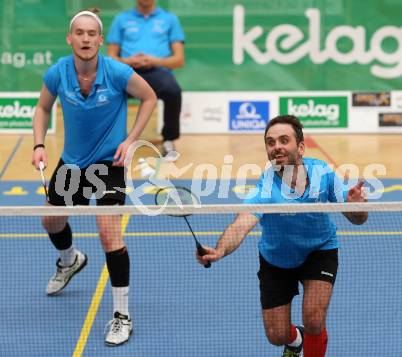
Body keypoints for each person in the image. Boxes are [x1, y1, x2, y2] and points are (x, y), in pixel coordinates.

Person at [31, 8, 157, 346]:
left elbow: (149, 97)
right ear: (70, 38)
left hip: (107, 165)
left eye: (92, 34)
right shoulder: (58, 72)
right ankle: (70, 259)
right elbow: (43, 107)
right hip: (71, 163)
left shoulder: (116, 71)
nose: (85, 39)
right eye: (79, 33)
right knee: (50, 221)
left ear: (100, 40)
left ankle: (121, 315)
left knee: (108, 233)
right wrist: (39, 144)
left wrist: (131, 141)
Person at [196, 115, 368, 357]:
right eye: (270, 142)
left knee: (314, 318)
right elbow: (241, 224)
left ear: (300, 147)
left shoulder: (323, 174)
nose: (276, 146)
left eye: (283, 140)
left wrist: (357, 207)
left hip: (319, 251)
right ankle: (296, 340)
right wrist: (220, 250)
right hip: (277, 259)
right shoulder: (265, 189)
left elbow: (357, 219)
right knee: (276, 336)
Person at [107, 0, 185, 161]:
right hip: (128, 71)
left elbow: (179, 59)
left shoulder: (170, 19)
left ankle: (169, 140)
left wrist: (154, 60)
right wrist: (130, 61)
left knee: (173, 91)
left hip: (158, 70)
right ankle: (110, 141)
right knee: (108, 93)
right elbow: (111, 57)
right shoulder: (121, 19)